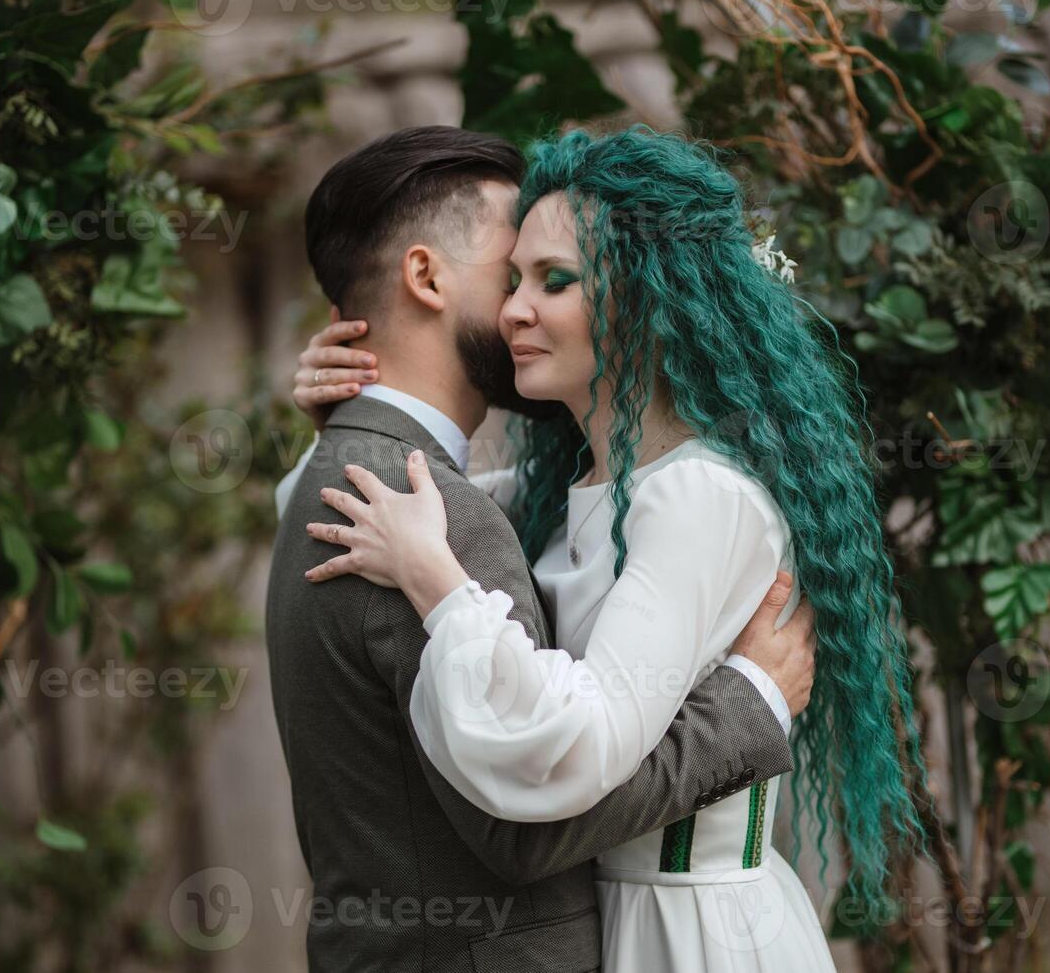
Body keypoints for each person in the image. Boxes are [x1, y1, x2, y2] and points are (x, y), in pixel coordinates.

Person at [265, 124, 820, 973]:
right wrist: (751, 709)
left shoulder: (402, 497)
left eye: (552, 278)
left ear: (636, 294)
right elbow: (531, 829)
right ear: (426, 276)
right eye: (510, 273)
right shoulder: (439, 506)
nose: (519, 307)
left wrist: (348, 436)